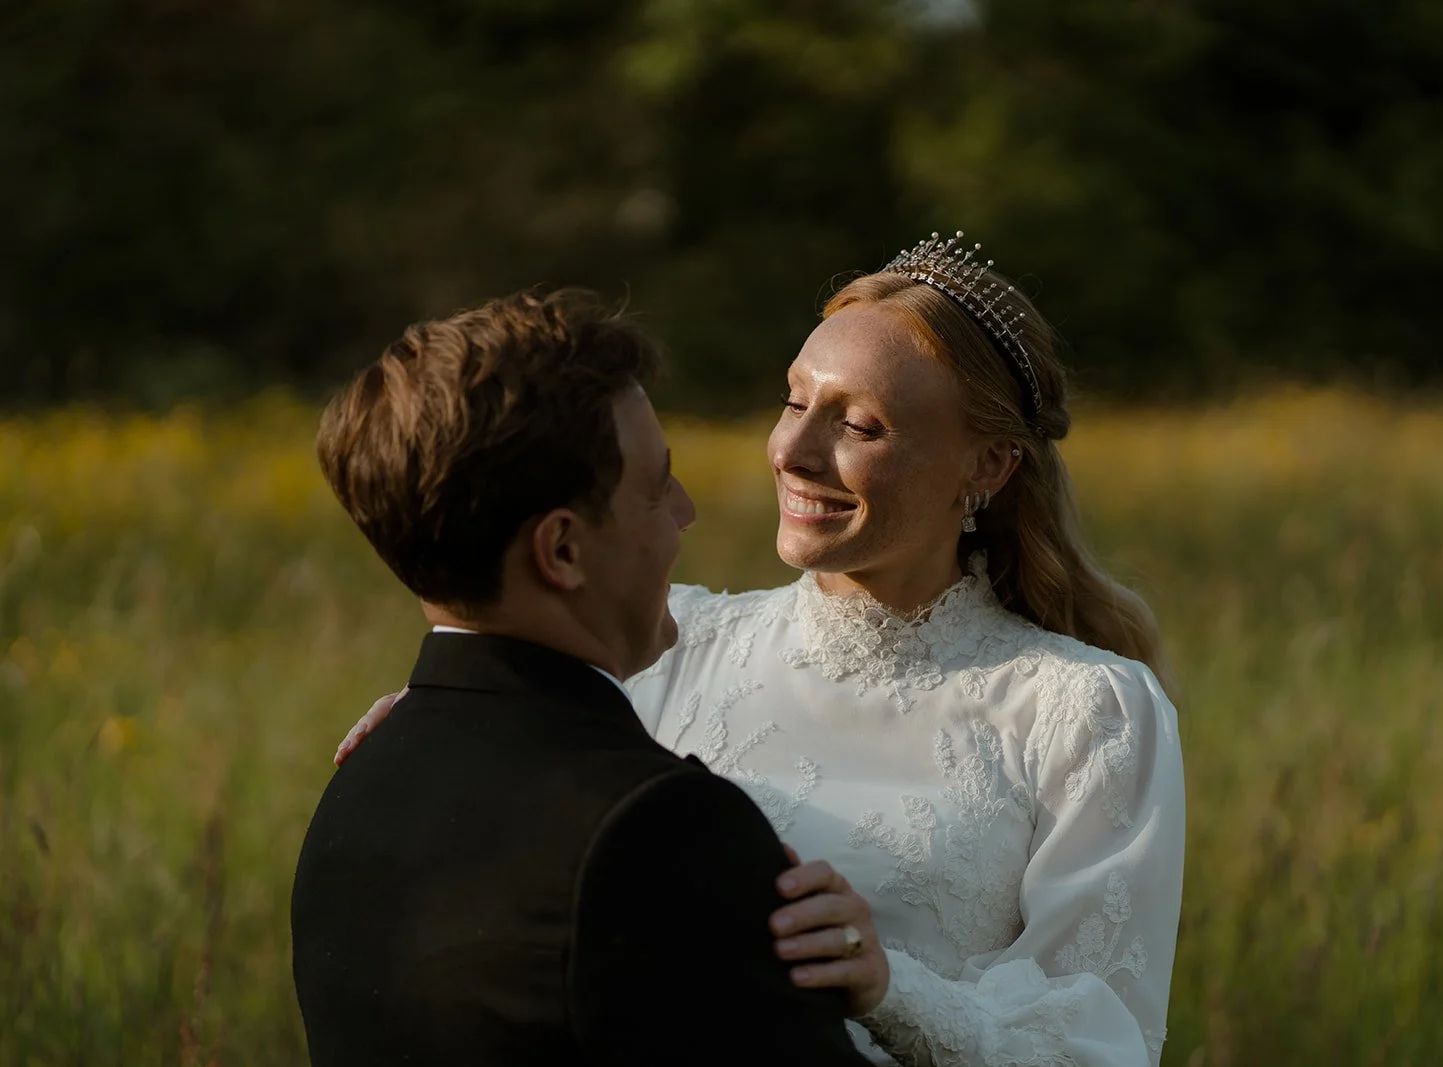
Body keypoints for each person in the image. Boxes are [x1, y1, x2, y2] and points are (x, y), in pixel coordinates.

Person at [342, 232, 1186, 1066]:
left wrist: (892, 989)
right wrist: (452, 725)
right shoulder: (669, 641)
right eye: (793, 401)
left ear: (990, 465)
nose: (792, 451)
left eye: (859, 424)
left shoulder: (1086, 710)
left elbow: (1099, 1045)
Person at [291, 288, 879, 1066]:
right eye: (655, 489)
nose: (685, 512)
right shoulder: (662, 829)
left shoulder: (361, 781)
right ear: (562, 550)